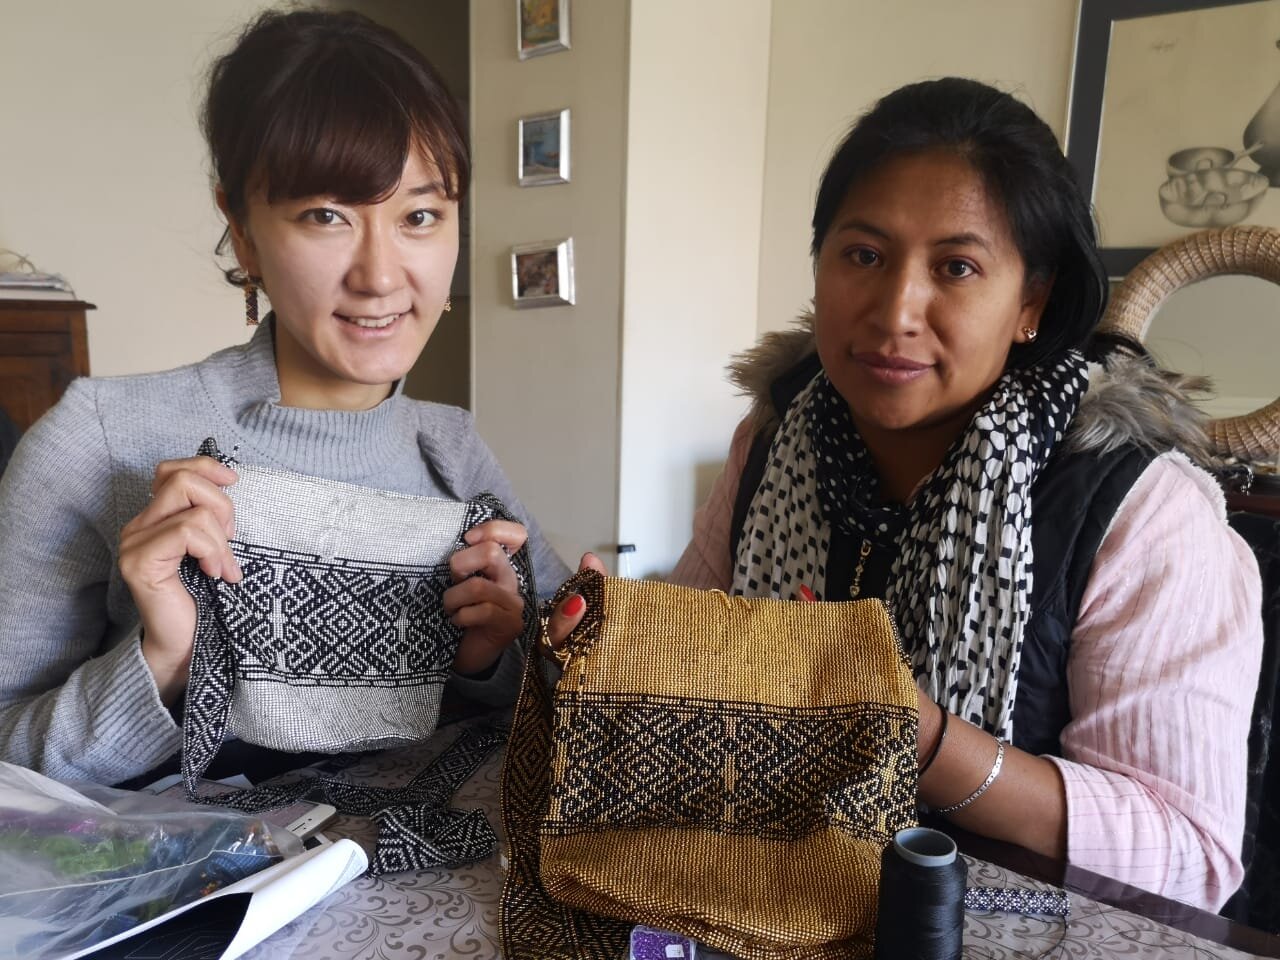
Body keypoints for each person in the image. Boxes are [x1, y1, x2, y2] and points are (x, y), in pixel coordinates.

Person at [549, 78, 1263, 912]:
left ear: (1031, 301)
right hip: (771, 899)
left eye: (956, 267)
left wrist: (911, 734)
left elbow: (1188, 856)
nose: (895, 312)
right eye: (863, 255)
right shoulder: (773, 444)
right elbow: (692, 679)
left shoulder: (1145, 513)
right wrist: (617, 647)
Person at [0, 9, 568, 789]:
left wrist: (494, 661)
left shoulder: (456, 452)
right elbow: (7, 762)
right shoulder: (99, 438)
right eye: (325, 216)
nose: (381, 275)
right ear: (242, 229)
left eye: (421, 215)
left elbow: (564, 704)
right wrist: (162, 660)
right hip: (189, 902)